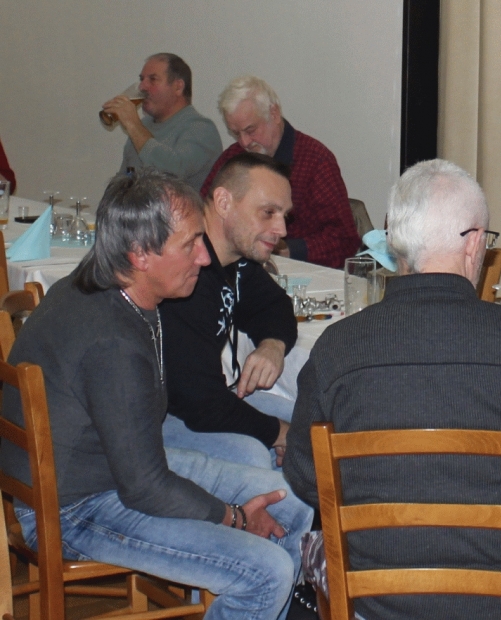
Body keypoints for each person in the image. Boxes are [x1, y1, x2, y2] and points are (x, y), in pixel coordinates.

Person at [283, 158, 501, 620]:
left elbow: (304, 473)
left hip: (372, 601)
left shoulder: (337, 348)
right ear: (473, 242)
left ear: (394, 241)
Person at [0, 169, 313, 620]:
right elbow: (145, 487)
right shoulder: (112, 342)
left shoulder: (102, 282)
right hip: (74, 508)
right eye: (190, 245)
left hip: (111, 469)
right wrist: (235, 517)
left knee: (292, 500)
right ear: (140, 254)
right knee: (266, 573)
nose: (204, 257)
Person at [160, 152, 297, 469]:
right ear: (223, 202)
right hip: (156, 415)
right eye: (268, 213)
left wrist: (272, 346)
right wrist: (281, 434)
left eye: (284, 216)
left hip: (200, 401)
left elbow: (273, 304)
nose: (281, 229)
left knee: (309, 419)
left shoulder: (235, 258)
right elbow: (200, 403)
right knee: (255, 454)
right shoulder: (184, 272)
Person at [201, 75, 359, 268]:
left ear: (274, 114)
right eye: (236, 133)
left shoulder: (316, 161)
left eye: (250, 130)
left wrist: (288, 250)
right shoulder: (233, 158)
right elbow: (204, 213)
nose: (244, 142)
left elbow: (345, 240)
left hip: (299, 273)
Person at [103, 53, 222, 191]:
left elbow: (173, 173)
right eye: (142, 79)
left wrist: (134, 125)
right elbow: (123, 179)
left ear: (178, 87)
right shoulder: (144, 125)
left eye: (153, 79)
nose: (142, 87)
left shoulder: (201, 129)